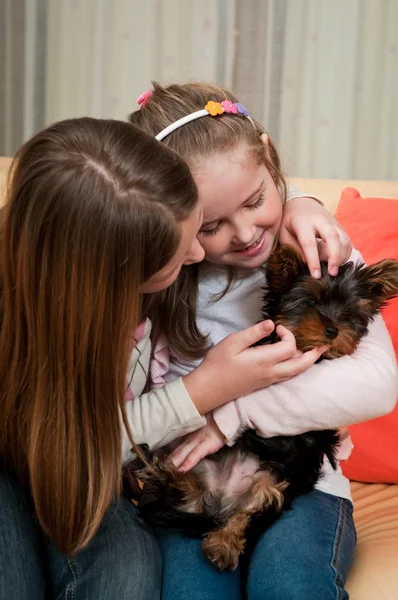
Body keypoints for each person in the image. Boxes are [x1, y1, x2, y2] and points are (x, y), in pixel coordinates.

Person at [0, 117, 324, 600]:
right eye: (178, 255)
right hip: (47, 459)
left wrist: (298, 201)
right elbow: (66, 452)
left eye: (199, 228)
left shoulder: (112, 205)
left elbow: (227, 164)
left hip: (91, 474)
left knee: (126, 579)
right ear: (106, 281)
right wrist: (203, 391)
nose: (198, 253)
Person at [129, 82, 397, 600]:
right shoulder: (161, 280)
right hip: (198, 479)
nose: (247, 232)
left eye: (256, 201)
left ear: (269, 159)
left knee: (291, 586)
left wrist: (232, 412)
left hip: (305, 484)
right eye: (210, 226)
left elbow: (378, 386)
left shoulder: (326, 251)